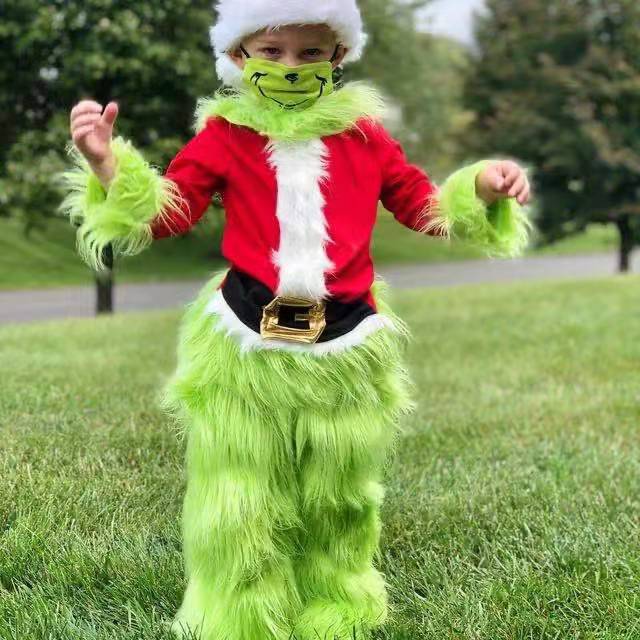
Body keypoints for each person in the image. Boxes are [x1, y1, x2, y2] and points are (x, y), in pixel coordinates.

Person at [58, 1, 532, 638]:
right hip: (245, 345)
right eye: (272, 51)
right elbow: (171, 211)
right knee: (240, 492)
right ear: (239, 57)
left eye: (310, 53)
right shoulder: (225, 136)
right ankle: (238, 614)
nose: (290, 66)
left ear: (337, 57)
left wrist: (480, 188)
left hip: (346, 345)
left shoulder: (365, 136)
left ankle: (336, 604)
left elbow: (420, 202)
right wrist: (107, 166)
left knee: (339, 495)